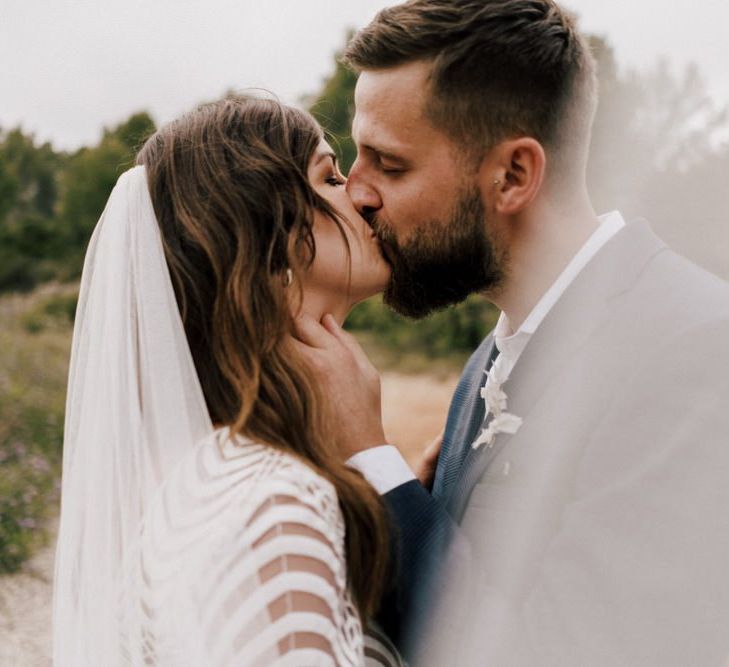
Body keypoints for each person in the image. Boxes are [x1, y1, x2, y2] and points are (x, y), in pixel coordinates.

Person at [293, 1, 729, 665]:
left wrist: (371, 460)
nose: (356, 193)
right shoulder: (486, 363)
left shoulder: (691, 347)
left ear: (512, 176)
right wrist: (411, 510)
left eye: (389, 163)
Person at [51, 94, 404, 666]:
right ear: (267, 237)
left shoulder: (212, 475)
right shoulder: (275, 506)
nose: (361, 195)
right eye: (330, 177)